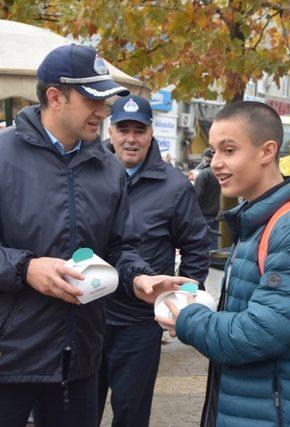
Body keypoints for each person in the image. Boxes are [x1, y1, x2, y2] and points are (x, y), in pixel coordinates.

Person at [0, 44, 189, 427]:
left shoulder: (108, 170)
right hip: (4, 362)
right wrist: (24, 269)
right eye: (92, 99)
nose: (103, 111)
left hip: (78, 361)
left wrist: (138, 277)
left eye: (106, 99)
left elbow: (119, 248)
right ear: (54, 97)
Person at [156, 101, 290, 426]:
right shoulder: (256, 223)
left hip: (282, 413)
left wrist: (188, 318)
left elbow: (259, 332)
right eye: (213, 152)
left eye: (229, 150)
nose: (216, 163)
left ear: (266, 151)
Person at [99, 95, 210, 427]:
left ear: (150, 135)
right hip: (87, 317)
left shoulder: (174, 186)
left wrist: (183, 303)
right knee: (77, 411)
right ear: (111, 130)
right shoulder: (89, 173)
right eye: (123, 129)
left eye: (139, 130)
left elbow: (196, 248)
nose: (131, 138)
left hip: (138, 323)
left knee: (131, 412)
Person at [193, 148, 221, 251]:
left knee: (204, 246)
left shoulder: (203, 174)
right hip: (219, 215)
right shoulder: (222, 173)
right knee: (216, 245)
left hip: (205, 216)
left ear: (204, 159)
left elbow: (196, 197)